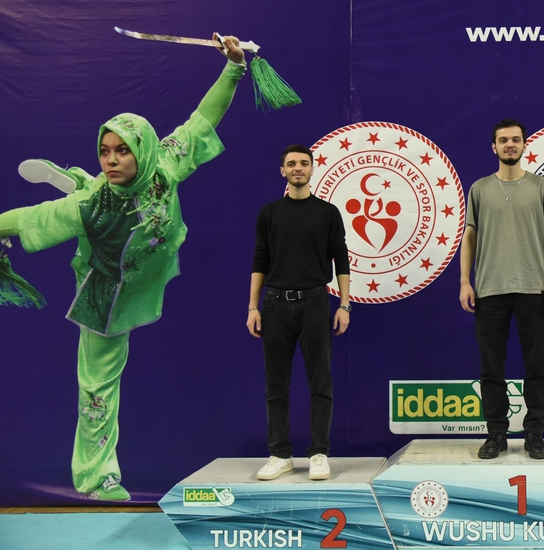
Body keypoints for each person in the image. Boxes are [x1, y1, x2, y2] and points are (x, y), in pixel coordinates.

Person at [0, 35, 248, 500]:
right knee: (97, 388)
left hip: (142, 271)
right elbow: (28, 219)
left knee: (93, 188)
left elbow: (203, 118)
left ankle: (73, 176)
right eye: (105, 151)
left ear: (143, 150)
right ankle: (98, 480)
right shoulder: (89, 208)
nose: (113, 159)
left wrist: (234, 66)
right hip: (105, 292)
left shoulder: (164, 164)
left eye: (122, 150)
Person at [459, 119, 544, 460]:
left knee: (537, 367)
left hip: (533, 288)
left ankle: (534, 434)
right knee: (491, 369)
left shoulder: (541, 187)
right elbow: (469, 237)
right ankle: (496, 434)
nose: (510, 144)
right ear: (494, 146)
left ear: (524, 145)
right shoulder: (479, 189)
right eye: (503, 140)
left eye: (516, 139)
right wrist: (465, 281)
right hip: (489, 290)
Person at [247, 144, 351, 481]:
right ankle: (280, 454)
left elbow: (341, 258)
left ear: (312, 169)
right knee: (276, 384)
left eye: (304, 163)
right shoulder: (269, 213)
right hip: (275, 305)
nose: (298, 168)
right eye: (291, 163)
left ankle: (319, 453)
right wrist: (252, 306)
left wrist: (344, 304)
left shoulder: (327, 213)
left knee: (321, 382)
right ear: (283, 171)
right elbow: (260, 259)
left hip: (316, 303)